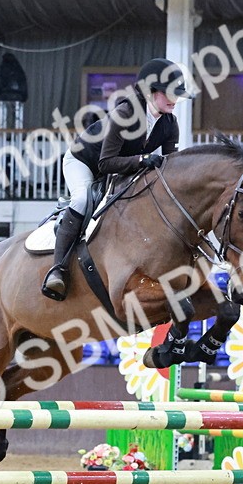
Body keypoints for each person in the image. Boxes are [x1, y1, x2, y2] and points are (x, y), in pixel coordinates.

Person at [41, 57, 191, 301]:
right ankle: (58, 269)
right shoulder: (125, 113)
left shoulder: (170, 123)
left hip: (121, 167)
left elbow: (169, 167)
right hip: (84, 161)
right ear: (150, 92)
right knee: (81, 199)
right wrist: (142, 161)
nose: (174, 100)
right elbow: (105, 163)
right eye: (169, 93)